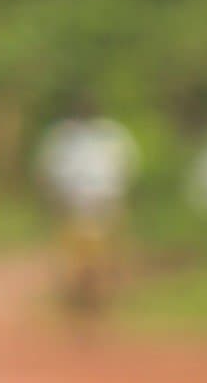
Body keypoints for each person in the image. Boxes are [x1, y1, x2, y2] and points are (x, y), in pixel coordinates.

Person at [34, 109, 137, 319]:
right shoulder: (63, 137)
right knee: (75, 253)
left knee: (104, 252)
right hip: (74, 203)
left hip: (104, 201)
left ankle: (100, 296)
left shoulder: (112, 134)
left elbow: (126, 169)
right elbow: (49, 171)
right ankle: (79, 296)